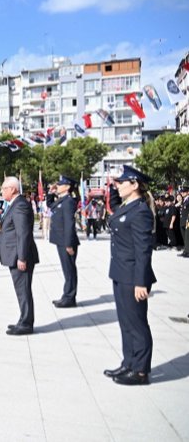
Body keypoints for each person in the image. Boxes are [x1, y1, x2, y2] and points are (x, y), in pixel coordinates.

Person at [104, 165, 157, 385]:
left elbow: (143, 250)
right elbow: (115, 208)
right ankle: (129, 363)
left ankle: (141, 371)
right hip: (120, 272)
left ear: (134, 185)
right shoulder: (128, 207)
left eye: (122, 182)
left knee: (137, 323)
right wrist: (112, 189)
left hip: (133, 276)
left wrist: (141, 281)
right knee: (125, 322)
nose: (119, 186)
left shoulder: (141, 211)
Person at [0, 177, 39, 335]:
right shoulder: (14, 204)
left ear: (13, 189)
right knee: (21, 290)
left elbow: (23, 234)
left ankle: (26, 323)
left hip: (20, 256)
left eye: (4, 188)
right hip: (14, 255)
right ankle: (23, 319)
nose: (2, 191)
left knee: (23, 290)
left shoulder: (20, 205)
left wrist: (22, 257)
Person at [49, 176, 80, 308]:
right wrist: (50, 193)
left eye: (60, 185)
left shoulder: (68, 202)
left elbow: (69, 224)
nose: (58, 186)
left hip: (66, 241)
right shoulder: (62, 200)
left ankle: (69, 297)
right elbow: (50, 206)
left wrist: (69, 244)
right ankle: (67, 295)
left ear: (67, 187)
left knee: (69, 270)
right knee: (67, 269)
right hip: (61, 240)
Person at [179, 186, 189, 258]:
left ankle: (187, 252)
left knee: (187, 237)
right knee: (184, 237)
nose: (182, 193)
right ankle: (185, 251)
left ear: (188, 192)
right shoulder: (184, 200)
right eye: (182, 192)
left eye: (184, 192)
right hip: (182, 220)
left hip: (187, 221)